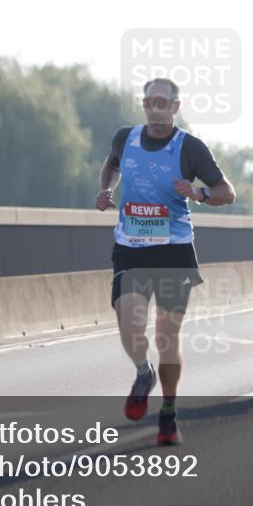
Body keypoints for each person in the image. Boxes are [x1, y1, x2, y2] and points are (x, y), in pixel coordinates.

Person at [96, 77, 236, 446]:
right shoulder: (125, 137)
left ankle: (169, 412)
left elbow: (228, 192)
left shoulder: (190, 148)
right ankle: (144, 373)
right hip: (131, 245)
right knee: (128, 323)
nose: (155, 107)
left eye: (163, 102)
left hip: (174, 249)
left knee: (166, 334)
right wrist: (106, 189)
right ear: (144, 105)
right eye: (149, 101)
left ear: (176, 107)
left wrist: (200, 192)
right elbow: (110, 166)